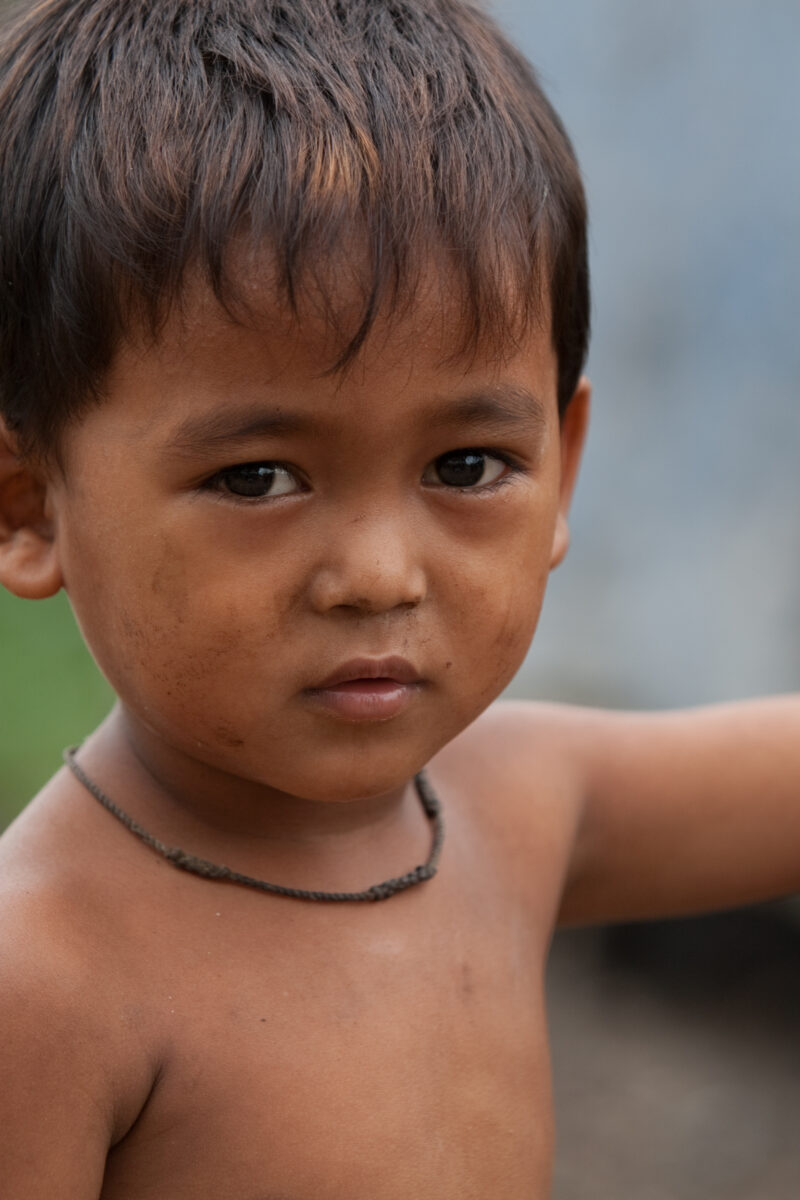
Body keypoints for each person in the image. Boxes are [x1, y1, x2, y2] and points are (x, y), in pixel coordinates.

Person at [0, 0, 796, 1195]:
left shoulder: (515, 804)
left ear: (563, 469)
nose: (379, 576)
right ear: (28, 505)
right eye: (256, 478)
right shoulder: (44, 980)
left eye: (465, 466)